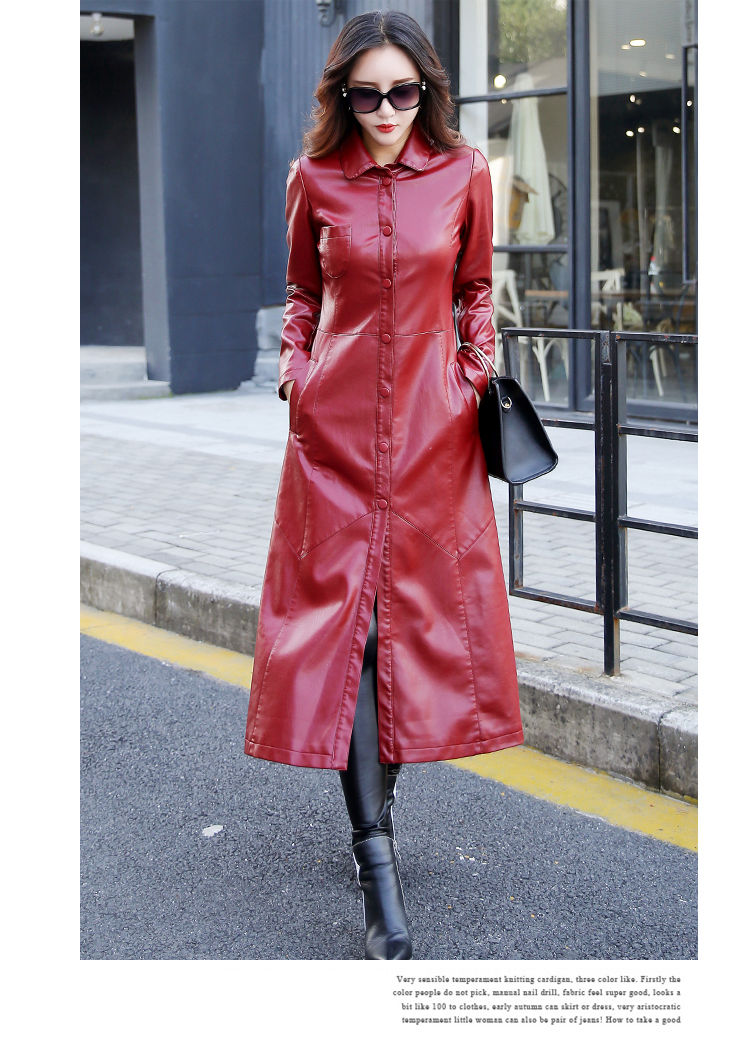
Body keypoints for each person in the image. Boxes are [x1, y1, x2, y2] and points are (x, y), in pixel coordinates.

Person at [244, 10, 523, 960]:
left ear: (428, 91)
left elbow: (474, 291)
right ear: (343, 97)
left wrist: (472, 374)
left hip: (435, 442)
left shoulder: (466, 173)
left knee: (409, 628)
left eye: (404, 92)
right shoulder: (314, 178)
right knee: (351, 639)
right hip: (333, 442)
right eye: (366, 95)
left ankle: (380, 789)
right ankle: (377, 868)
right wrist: (296, 373)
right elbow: (302, 295)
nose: (386, 111)